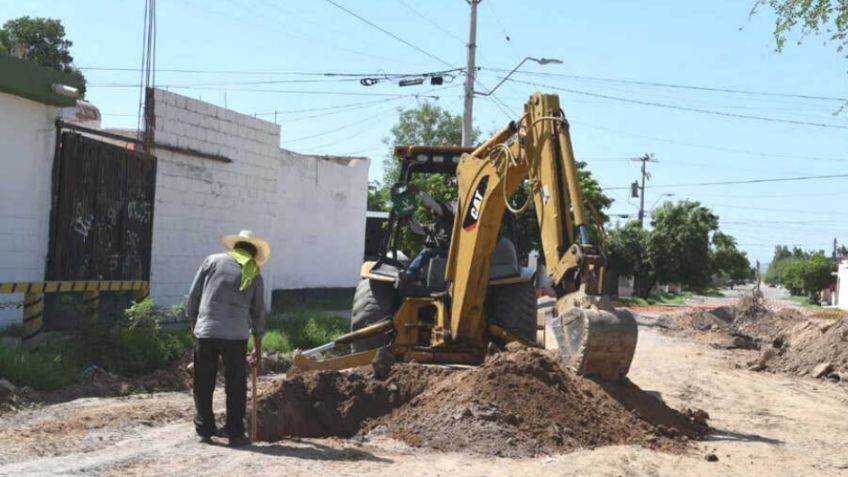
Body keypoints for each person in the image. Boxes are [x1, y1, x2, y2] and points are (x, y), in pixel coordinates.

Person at [187, 229, 269, 447]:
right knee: (235, 385)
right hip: (236, 336)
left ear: (235, 248)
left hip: (207, 332)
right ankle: (235, 434)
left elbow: (194, 295)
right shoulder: (254, 273)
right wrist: (258, 351)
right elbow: (258, 314)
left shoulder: (212, 261)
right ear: (253, 253)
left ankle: (204, 429)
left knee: (203, 383)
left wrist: (195, 325)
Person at [404, 190, 455, 283]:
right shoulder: (435, 226)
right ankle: (415, 277)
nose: (435, 210)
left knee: (426, 252)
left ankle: (411, 274)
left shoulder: (449, 220)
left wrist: (418, 191)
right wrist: (410, 217)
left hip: (447, 252)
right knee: (427, 252)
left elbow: (432, 204)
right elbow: (417, 229)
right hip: (437, 252)